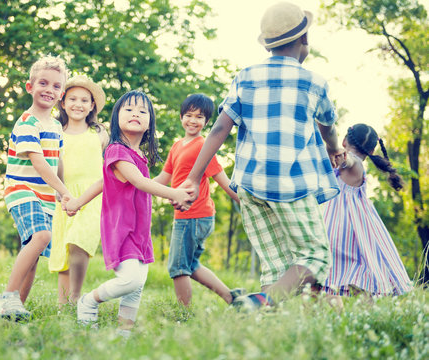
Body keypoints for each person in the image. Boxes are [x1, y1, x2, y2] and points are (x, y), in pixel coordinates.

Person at [177, 2, 345, 309]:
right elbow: (328, 126)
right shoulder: (314, 82)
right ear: (304, 39)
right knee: (315, 255)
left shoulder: (246, 76)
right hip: (291, 185)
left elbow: (219, 129)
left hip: (252, 186)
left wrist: (192, 177)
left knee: (274, 262)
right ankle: (260, 303)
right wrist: (335, 149)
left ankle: (264, 325)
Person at [63, 90, 193, 336]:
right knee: (130, 279)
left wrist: (78, 201)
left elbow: (105, 181)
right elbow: (140, 183)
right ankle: (88, 301)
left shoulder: (139, 156)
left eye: (143, 111)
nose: (136, 113)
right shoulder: (116, 150)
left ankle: (124, 334)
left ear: (149, 124)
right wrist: (174, 193)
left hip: (140, 229)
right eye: (129, 109)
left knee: (137, 284)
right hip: (121, 228)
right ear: (116, 119)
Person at [0, 55, 76, 320]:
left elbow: (57, 161)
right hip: (22, 189)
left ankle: (16, 307)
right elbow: (39, 162)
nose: (49, 90)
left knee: (34, 250)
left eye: (55, 86)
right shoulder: (28, 122)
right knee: (41, 237)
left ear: (61, 94)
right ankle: (6, 297)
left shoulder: (55, 127)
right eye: (43, 83)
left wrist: (63, 194)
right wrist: (64, 191)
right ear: (30, 87)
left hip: (46, 197)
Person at [153, 93, 244, 306]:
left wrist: (246, 202)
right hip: (186, 217)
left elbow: (223, 180)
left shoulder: (204, 147)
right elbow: (163, 179)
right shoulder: (177, 146)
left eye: (199, 117)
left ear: (207, 122)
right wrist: (134, 185)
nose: (193, 121)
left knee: (178, 268)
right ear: (181, 117)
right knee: (191, 265)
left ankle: (182, 315)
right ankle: (232, 298)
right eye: (189, 115)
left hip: (195, 216)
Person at [323, 124, 412, 297]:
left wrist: (343, 157)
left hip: (339, 226)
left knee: (337, 276)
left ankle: (357, 316)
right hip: (351, 227)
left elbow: (350, 160)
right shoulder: (348, 161)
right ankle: (357, 316)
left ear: (344, 140)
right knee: (353, 277)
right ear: (371, 151)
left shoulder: (353, 162)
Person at [48, 75, 108, 307]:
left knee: (78, 242)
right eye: (72, 98)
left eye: (85, 100)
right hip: (63, 195)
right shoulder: (55, 131)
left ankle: (76, 296)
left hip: (93, 196)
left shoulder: (99, 133)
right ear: (63, 102)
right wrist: (57, 189)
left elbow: (108, 165)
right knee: (64, 250)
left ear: (92, 105)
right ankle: (64, 305)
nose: (78, 104)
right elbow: (53, 163)